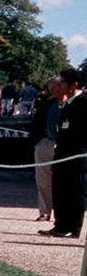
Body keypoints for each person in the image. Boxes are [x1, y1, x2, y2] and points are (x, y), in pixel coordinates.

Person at [42, 67, 86, 238]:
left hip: (76, 157)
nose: (60, 85)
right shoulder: (68, 104)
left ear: (73, 84)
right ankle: (60, 224)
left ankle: (73, 227)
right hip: (62, 155)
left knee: (74, 192)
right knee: (60, 191)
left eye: (63, 82)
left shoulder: (83, 103)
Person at [29, 77, 64, 222]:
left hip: (64, 145)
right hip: (46, 142)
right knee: (43, 179)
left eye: (55, 87)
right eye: (51, 88)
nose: (52, 91)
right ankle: (44, 211)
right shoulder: (47, 103)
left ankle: (62, 215)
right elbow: (37, 123)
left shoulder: (74, 103)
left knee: (63, 181)